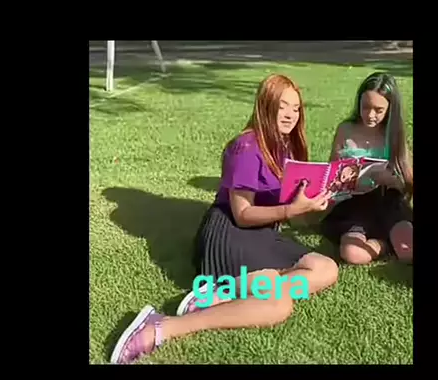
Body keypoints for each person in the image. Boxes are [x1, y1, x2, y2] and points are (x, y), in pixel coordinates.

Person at [110, 74, 339, 364]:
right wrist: (290, 211)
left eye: (296, 108)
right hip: (231, 230)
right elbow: (242, 215)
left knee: (325, 269)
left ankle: (222, 296)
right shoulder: (246, 147)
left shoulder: (287, 146)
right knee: (277, 304)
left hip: (264, 231)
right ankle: (161, 326)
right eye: (282, 106)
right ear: (265, 106)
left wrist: (317, 204)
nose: (290, 115)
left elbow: (294, 216)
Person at [320, 72, 414, 265]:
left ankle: (392, 242)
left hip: (388, 201)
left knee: (408, 250)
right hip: (354, 203)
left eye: (378, 110)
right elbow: (331, 171)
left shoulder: (393, 134)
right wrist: (344, 177)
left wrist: (393, 181)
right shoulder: (346, 129)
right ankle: (385, 245)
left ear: (390, 109)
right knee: (353, 254)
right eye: (365, 107)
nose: (370, 115)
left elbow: (408, 181)